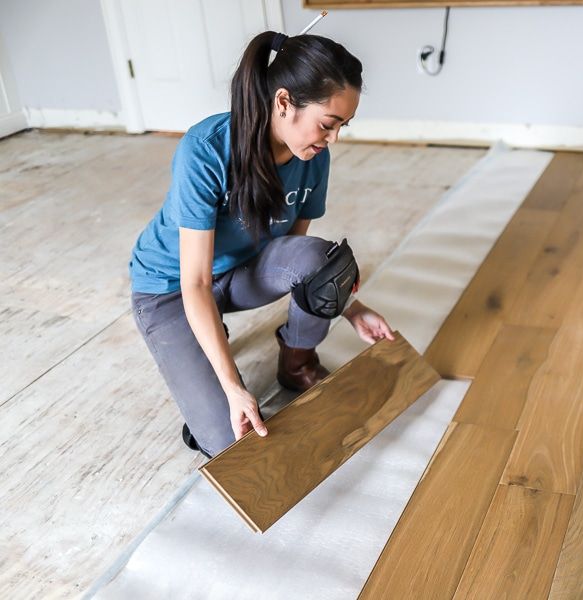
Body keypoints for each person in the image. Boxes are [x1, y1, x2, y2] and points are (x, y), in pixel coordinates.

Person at [128, 31, 394, 459]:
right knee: (234, 444)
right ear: (284, 102)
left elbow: (297, 258)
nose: (334, 139)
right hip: (172, 289)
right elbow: (194, 282)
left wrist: (350, 305)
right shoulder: (207, 149)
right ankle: (206, 383)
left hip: (239, 273)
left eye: (343, 126)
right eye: (328, 124)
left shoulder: (312, 156)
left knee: (326, 261)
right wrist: (233, 387)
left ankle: (297, 364)